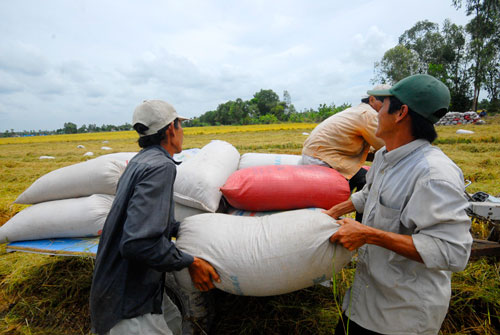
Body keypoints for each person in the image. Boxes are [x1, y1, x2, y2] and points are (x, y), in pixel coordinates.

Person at [325, 74, 472, 334]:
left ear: (400, 112)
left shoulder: (432, 175)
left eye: (382, 105)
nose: (376, 112)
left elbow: (453, 251)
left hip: (402, 315)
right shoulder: (384, 156)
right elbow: (370, 193)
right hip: (364, 299)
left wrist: (368, 234)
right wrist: (331, 212)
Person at [90, 100, 220, 335]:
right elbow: (138, 243)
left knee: (173, 323)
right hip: (128, 302)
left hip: (133, 291)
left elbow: (150, 220)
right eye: (181, 125)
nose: (182, 132)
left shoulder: (139, 162)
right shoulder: (160, 167)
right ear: (171, 128)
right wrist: (191, 262)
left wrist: (191, 229)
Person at [302, 84, 390, 195]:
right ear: (372, 99)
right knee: (367, 182)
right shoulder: (369, 114)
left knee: (359, 179)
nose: (388, 108)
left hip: (316, 154)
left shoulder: (358, 110)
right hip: (323, 158)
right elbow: (386, 146)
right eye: (386, 103)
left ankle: (344, 203)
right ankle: (356, 209)